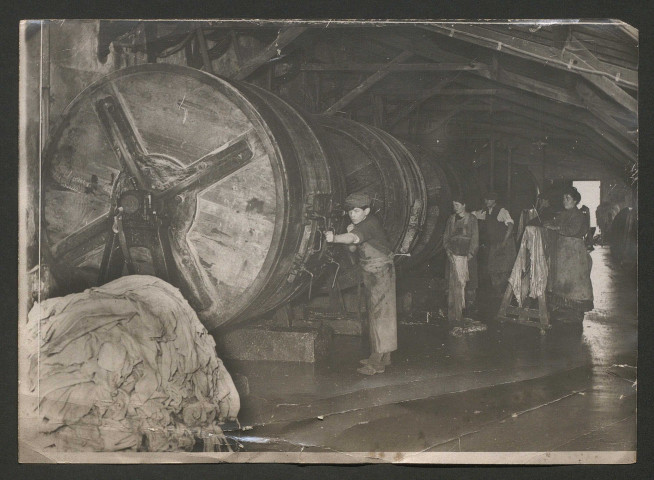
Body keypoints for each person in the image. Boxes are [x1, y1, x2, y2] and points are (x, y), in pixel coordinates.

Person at [325, 192, 397, 375]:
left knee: (381, 315)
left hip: (381, 272)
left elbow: (353, 240)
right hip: (371, 272)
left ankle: (376, 363)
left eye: (356, 211)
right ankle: (383, 356)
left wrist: (335, 238)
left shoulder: (369, 223)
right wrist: (349, 233)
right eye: (350, 211)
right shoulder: (360, 224)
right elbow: (352, 246)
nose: (352, 214)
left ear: (367, 211)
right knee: (377, 314)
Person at [543, 186, 594, 323]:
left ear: (575, 201)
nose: (565, 201)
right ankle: (565, 309)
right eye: (564, 198)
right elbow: (556, 222)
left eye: (568, 198)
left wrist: (555, 227)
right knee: (563, 281)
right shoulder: (563, 214)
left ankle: (577, 313)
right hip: (563, 252)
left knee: (576, 283)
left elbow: (572, 230)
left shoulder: (578, 215)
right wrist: (548, 223)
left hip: (574, 253)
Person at [443, 196, 479, 332]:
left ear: (464, 205)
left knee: (468, 284)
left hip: (467, 257)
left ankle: (467, 312)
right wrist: (448, 252)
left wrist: (470, 254)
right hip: (453, 256)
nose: (455, 207)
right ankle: (454, 314)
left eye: (457, 204)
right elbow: (446, 238)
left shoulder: (472, 219)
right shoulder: (451, 219)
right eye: (454, 205)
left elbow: (475, 238)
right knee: (453, 284)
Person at [473, 191, 517, 295]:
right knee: (493, 268)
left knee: (505, 269)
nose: (486, 201)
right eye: (485, 199)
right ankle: (498, 292)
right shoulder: (486, 212)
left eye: (488, 199)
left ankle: (505, 293)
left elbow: (510, 226)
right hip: (495, 243)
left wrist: (504, 242)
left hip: (506, 244)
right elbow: (473, 214)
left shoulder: (502, 211)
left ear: (494, 200)